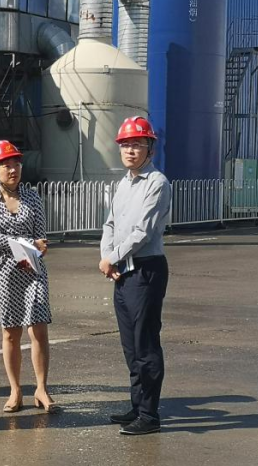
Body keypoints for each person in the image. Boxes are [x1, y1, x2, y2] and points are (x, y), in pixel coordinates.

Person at [99, 116, 171, 436]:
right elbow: (110, 224)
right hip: (122, 271)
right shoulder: (123, 183)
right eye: (125, 145)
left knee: (146, 343)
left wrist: (112, 257)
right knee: (130, 345)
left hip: (146, 269)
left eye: (137, 144)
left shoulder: (157, 183)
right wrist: (107, 257)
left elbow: (143, 231)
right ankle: (137, 404)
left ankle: (149, 415)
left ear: (150, 149)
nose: (130, 150)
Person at [0, 140, 55, 414]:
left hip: (32, 270)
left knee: (39, 330)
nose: (13, 169)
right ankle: (15, 390)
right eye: (6, 165)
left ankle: (41, 389)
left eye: (16, 164)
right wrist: (30, 244)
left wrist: (33, 246)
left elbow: (41, 237)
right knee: (11, 333)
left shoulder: (32, 197)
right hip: (5, 272)